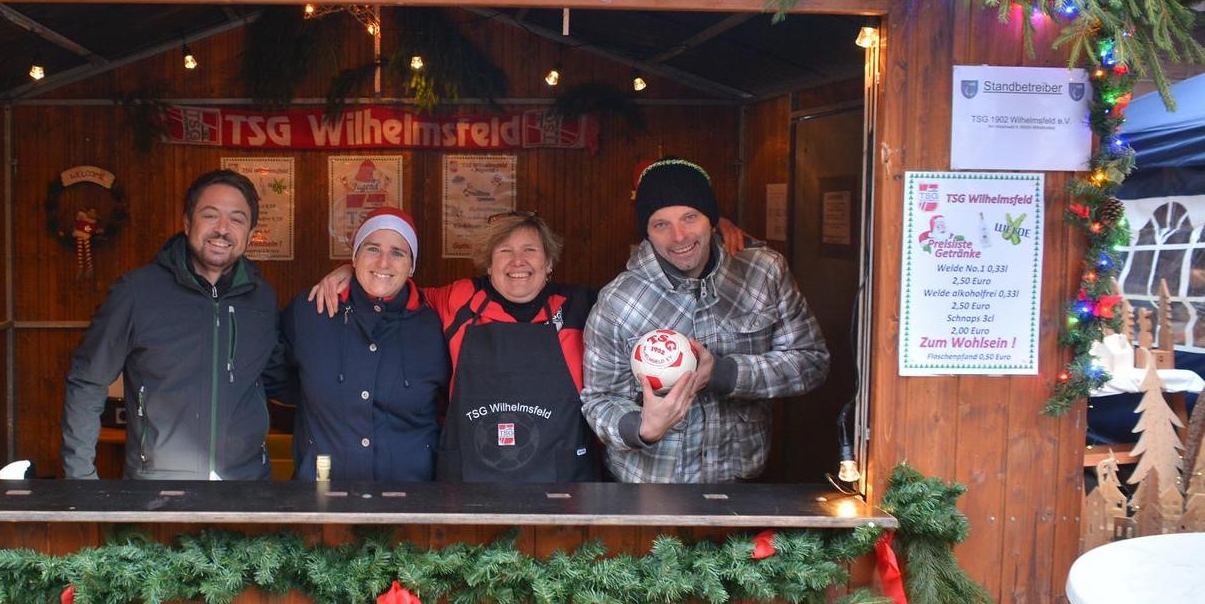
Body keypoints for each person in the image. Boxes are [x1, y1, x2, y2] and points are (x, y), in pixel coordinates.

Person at [581, 158, 828, 483]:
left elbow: (811, 362)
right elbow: (598, 400)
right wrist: (641, 427)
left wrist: (724, 373)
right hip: (648, 486)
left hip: (741, 483)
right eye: (661, 224)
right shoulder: (619, 301)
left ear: (712, 219)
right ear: (647, 234)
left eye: (690, 217)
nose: (679, 236)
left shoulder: (764, 273)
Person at [314, 211, 606, 482]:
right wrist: (350, 271)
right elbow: (391, 288)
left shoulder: (582, 307)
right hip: (471, 482)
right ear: (489, 264)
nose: (518, 261)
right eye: (505, 251)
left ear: (549, 262)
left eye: (530, 250)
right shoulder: (461, 299)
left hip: (562, 482)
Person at [61, 169, 285, 480]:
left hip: (247, 483)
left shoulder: (261, 298)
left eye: (237, 219)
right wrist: (80, 478)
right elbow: (88, 382)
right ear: (187, 222)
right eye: (210, 215)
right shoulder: (136, 293)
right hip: (157, 486)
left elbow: (279, 379)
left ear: (250, 233)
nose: (223, 229)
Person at [282, 208, 449, 481]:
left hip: (411, 494)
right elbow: (275, 376)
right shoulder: (312, 311)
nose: (384, 262)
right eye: (372, 249)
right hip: (322, 491)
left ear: (411, 265)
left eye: (398, 253)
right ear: (354, 257)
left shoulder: (434, 325)